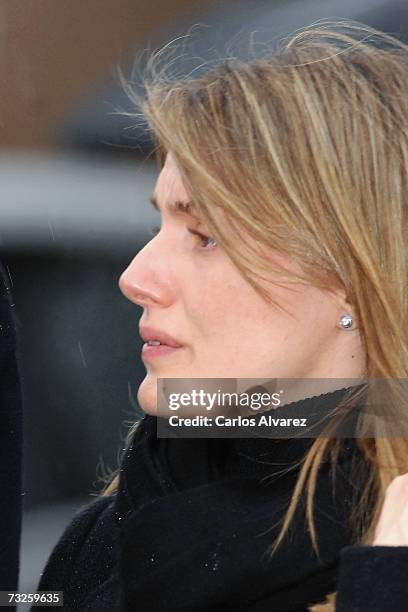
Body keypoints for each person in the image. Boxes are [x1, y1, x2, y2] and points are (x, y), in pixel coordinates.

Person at [1, 19, 407, 612]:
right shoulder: (127, 521)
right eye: (159, 223)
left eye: (205, 236)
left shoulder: (381, 547)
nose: (136, 278)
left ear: (349, 274)